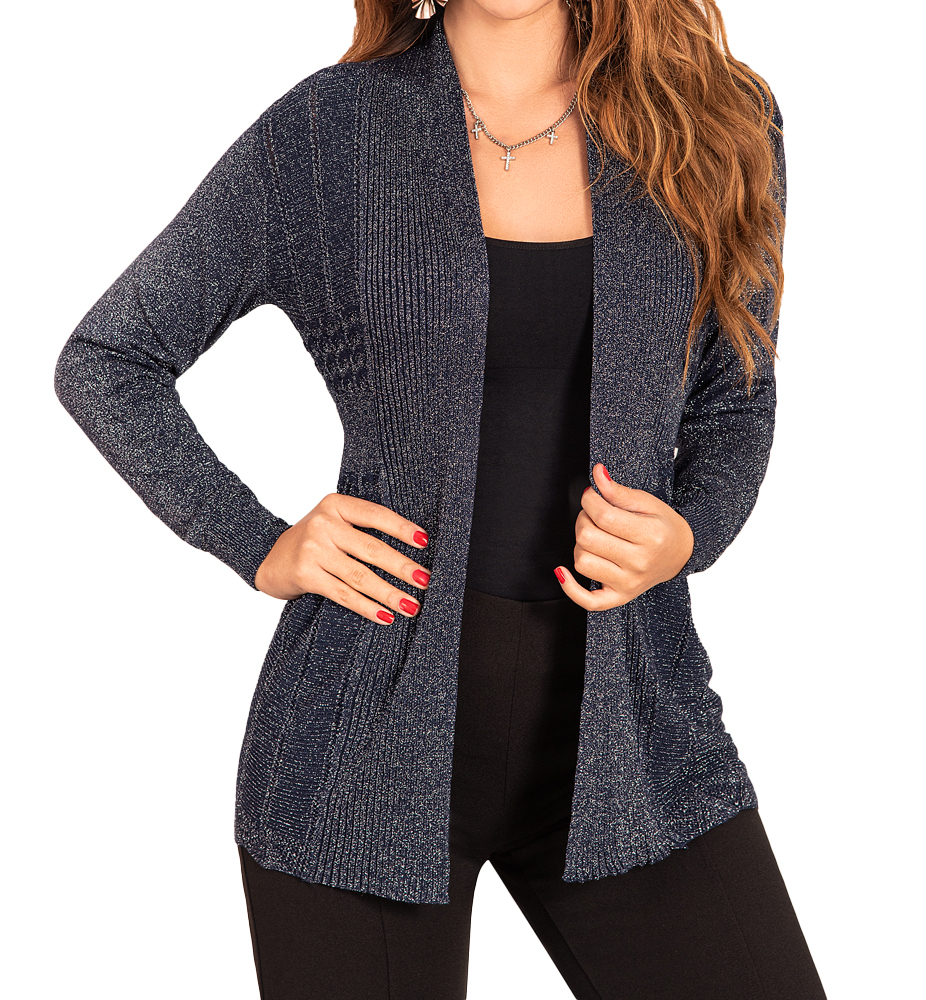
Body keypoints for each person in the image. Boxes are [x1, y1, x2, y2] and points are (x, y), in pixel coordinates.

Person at [54, 0, 827, 996]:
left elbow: (737, 397)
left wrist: (687, 531)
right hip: (358, 759)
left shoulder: (712, 118)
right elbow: (109, 358)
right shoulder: (330, 134)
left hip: (634, 741)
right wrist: (260, 542)